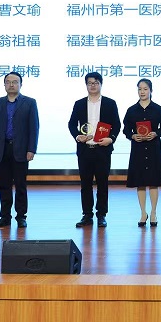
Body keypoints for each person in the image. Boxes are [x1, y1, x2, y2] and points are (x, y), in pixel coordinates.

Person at [68, 72, 121, 228]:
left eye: (96, 82)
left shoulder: (110, 103)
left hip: (102, 149)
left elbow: (117, 125)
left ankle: (101, 215)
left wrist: (111, 138)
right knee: (85, 184)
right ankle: (87, 215)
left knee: (102, 183)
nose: (93, 85)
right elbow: (72, 124)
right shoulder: (79, 104)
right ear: (86, 85)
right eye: (90, 83)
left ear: (101, 84)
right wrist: (77, 136)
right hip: (85, 149)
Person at [0, 72, 39, 229]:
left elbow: (34, 128)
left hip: (21, 150)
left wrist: (31, 149)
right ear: (4, 85)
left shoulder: (29, 103)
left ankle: (21, 216)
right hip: (2, 149)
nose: (11, 85)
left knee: (21, 185)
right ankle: (5, 217)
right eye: (8, 82)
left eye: (15, 82)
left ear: (20, 85)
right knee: (4, 185)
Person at [122, 78, 161, 228]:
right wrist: (132, 135)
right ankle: (143, 212)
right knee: (140, 182)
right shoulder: (131, 110)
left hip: (153, 147)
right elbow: (125, 129)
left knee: (154, 182)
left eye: (145, 89)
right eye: (139, 89)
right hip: (138, 148)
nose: (142, 92)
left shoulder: (158, 109)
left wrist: (156, 133)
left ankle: (153, 212)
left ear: (151, 91)